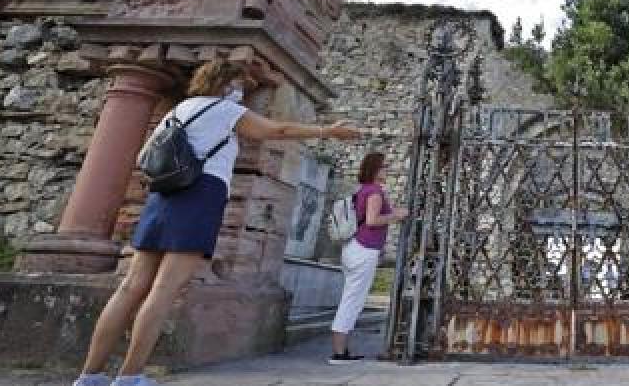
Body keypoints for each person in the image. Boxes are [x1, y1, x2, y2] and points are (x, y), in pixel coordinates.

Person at [73, 59, 365, 386]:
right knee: (164, 290)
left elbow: (145, 155)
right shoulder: (224, 110)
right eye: (239, 84)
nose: (241, 91)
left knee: (130, 287)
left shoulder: (180, 110)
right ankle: (129, 376)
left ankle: (90, 375)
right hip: (201, 194)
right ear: (226, 84)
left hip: (163, 198)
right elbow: (275, 130)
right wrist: (328, 131)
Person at [327, 151, 408, 364]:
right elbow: (372, 220)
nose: (388, 170)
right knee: (352, 300)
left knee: (351, 298)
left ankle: (341, 350)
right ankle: (338, 352)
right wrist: (396, 216)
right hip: (363, 249)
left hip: (355, 248)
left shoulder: (364, 190)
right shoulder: (374, 192)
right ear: (375, 169)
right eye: (385, 166)